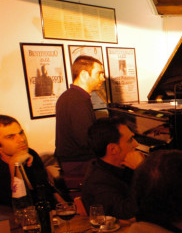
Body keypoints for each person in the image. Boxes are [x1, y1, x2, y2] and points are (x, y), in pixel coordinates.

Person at [55, 55, 105, 191]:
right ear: (84, 74)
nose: (103, 78)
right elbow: (85, 140)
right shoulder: (78, 101)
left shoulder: (70, 95)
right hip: (78, 163)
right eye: (99, 73)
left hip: (71, 161)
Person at [81, 117, 143, 220]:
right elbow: (128, 214)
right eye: (130, 140)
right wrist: (142, 170)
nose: (136, 144)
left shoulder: (123, 166)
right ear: (113, 149)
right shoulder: (98, 182)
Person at [0, 115, 57, 207]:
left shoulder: (30, 153)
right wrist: (15, 165)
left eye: (21, 133)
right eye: (11, 137)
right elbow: (20, 205)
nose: (21, 139)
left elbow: (45, 189)